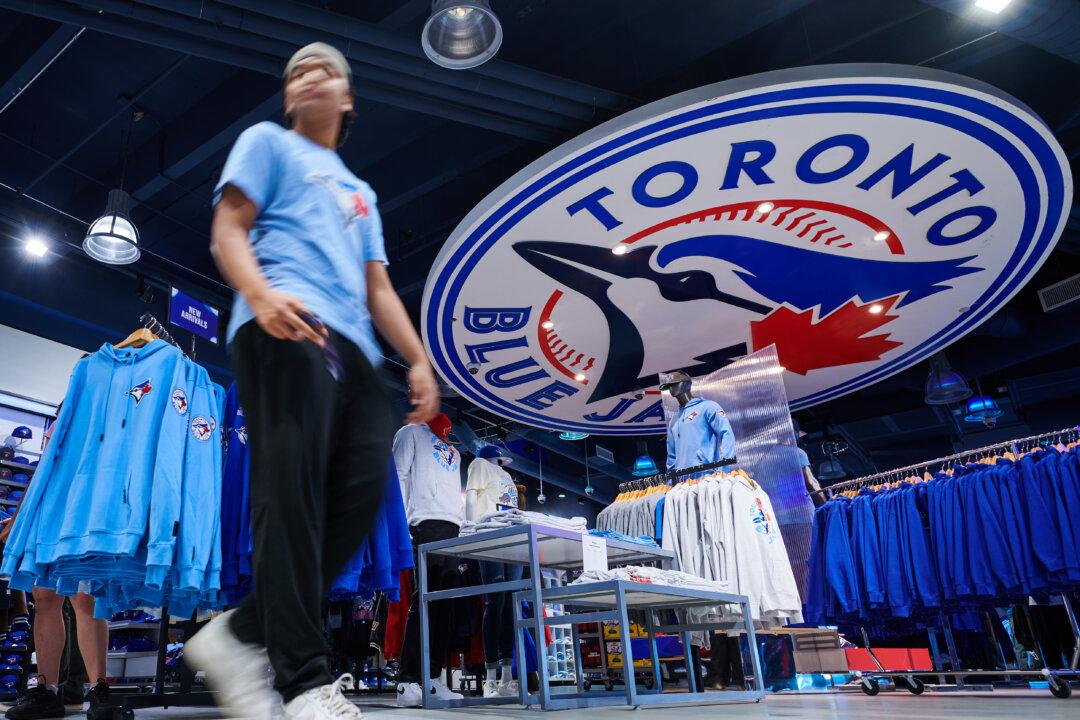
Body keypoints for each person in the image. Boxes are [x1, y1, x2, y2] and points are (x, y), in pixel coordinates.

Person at [184, 42, 439, 720]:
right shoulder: (267, 142)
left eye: (323, 68)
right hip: (284, 319)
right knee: (289, 493)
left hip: (356, 352)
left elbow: (377, 285)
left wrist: (416, 357)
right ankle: (303, 682)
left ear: (347, 97)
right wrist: (260, 295)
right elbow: (227, 229)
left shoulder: (361, 193)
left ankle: (239, 634)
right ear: (289, 95)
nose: (308, 75)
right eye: (296, 71)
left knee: (357, 502)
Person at [0, 409, 114, 720]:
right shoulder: (67, 411)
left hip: (86, 507)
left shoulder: (107, 407)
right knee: (46, 598)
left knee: (84, 597)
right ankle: (46, 690)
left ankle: (99, 689)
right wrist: (22, 515)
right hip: (48, 509)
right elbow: (41, 470)